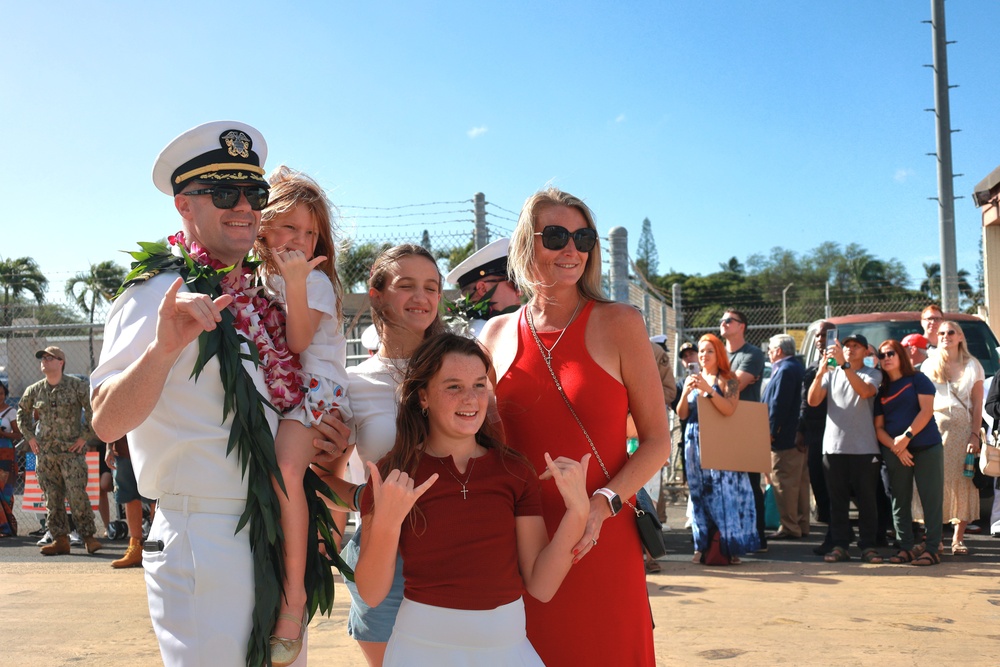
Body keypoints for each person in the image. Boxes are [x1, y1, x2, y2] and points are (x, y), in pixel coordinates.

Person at [91, 120, 330, 667]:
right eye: (224, 193)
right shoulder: (157, 293)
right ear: (184, 206)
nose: (244, 206)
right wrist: (162, 350)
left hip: (272, 526)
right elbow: (105, 422)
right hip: (205, 534)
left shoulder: (260, 296)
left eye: (255, 193)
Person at [482, 187, 668, 666]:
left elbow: (656, 442)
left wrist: (602, 506)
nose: (572, 249)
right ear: (527, 244)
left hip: (599, 535)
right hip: (519, 539)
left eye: (583, 237)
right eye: (557, 235)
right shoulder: (495, 335)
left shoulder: (621, 322)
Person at [355, 333, 590, 665]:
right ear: (423, 396)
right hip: (420, 651)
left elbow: (542, 585)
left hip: (508, 651)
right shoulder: (391, 474)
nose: (471, 399)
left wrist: (578, 512)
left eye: (480, 385)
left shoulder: (514, 470)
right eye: (453, 386)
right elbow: (371, 592)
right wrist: (388, 523)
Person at [324, 243, 445, 667]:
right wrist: (363, 501)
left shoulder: (465, 369)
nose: (422, 297)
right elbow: (322, 480)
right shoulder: (351, 384)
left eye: (432, 287)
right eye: (406, 285)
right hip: (382, 559)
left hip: (460, 552)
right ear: (376, 294)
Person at [254, 165, 352, 663]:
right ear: (263, 227)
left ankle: (294, 598)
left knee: (289, 470)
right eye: (290, 227)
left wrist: (294, 279)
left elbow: (296, 342)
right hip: (297, 394)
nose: (301, 238)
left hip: (317, 393)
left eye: (311, 232)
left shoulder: (309, 282)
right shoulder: (266, 277)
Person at [676, 334, 760, 563]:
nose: (703, 355)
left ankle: (729, 547)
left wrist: (709, 390)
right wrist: (685, 392)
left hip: (721, 441)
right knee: (698, 494)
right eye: (701, 351)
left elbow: (730, 409)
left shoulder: (729, 379)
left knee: (725, 494)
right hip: (695, 440)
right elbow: (682, 414)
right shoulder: (693, 378)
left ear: (719, 354)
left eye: (709, 351)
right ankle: (701, 545)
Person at [807, 333, 884, 564]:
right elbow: (813, 401)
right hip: (833, 448)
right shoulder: (832, 373)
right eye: (847, 346)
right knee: (837, 501)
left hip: (864, 449)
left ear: (865, 352)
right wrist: (821, 371)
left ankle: (868, 546)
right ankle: (840, 545)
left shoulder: (873, 373)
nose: (850, 349)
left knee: (867, 501)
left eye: (856, 346)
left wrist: (845, 365)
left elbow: (865, 392)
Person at [16, 346, 101, 555]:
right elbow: (22, 413)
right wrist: (31, 438)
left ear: (61, 362)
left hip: (71, 453)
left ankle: (88, 537)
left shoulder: (77, 387)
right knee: (51, 498)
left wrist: (84, 436)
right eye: (42, 358)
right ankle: (60, 539)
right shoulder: (34, 390)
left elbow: (93, 409)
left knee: (77, 495)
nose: (44, 361)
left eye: (49, 358)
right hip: (45, 455)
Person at [873, 339, 943, 566]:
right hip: (896, 452)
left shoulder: (918, 379)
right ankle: (905, 547)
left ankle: (932, 549)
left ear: (901, 354)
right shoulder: (881, 390)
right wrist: (897, 447)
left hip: (927, 448)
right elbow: (879, 428)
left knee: (931, 500)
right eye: (882, 355)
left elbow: (926, 411)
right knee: (899, 501)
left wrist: (907, 437)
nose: (886, 358)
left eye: (891, 353)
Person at [925, 321, 984, 556]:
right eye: (941, 333)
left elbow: (978, 404)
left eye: (950, 332)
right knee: (936, 485)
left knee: (963, 482)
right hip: (935, 433)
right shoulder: (929, 366)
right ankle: (936, 539)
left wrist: (974, 434)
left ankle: (958, 539)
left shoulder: (973, 366)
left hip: (963, 434)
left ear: (960, 337)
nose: (945, 336)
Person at [720, 308, 768, 551]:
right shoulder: (719, 354)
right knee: (726, 483)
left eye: (729, 320)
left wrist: (718, 380)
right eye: (722, 321)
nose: (724, 324)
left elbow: (735, 385)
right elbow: (727, 384)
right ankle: (733, 537)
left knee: (749, 483)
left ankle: (758, 537)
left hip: (745, 426)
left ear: (742, 326)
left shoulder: (753, 353)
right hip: (721, 424)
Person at [763, 334, 808, 540]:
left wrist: (771, 432)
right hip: (796, 436)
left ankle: (790, 526)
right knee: (799, 484)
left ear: (779, 351)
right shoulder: (797, 367)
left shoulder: (785, 369)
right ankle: (801, 524)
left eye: (771, 349)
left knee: (784, 483)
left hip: (784, 438)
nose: (769, 353)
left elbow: (778, 404)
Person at [443, 237, 521, 338]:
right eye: (513, 283)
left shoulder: (458, 332)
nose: (520, 292)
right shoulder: (485, 336)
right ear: (483, 289)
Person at [104, 435, 150, 569]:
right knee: (129, 497)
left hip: (150, 449)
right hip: (123, 451)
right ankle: (135, 547)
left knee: (154, 497)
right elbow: (112, 417)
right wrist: (109, 447)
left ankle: (156, 547)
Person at [0, 381, 21, 537]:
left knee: (5, 491)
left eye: (1, 393)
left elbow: (18, 434)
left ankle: (6, 527)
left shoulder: (11, 412)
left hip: (6, 455)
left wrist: (4, 434)